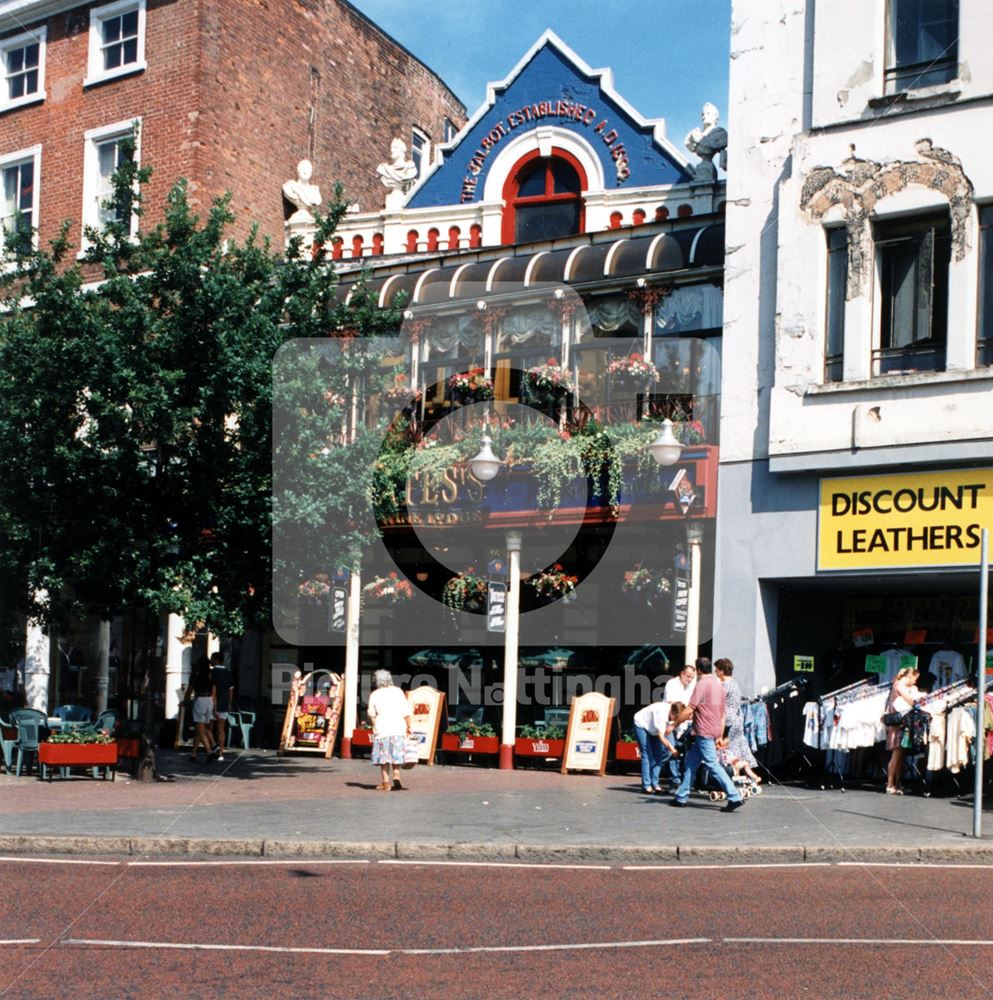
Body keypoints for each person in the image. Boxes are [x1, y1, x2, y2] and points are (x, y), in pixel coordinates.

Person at [670, 658, 744, 812]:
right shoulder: (719, 686)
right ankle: (681, 796)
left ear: (697, 670)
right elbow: (722, 713)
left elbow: (690, 708)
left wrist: (675, 723)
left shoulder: (702, 685)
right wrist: (719, 734)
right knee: (691, 761)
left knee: (712, 764)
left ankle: (734, 796)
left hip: (703, 730)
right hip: (713, 729)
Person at [714, 658, 760, 782]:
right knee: (737, 748)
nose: (715, 672)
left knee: (728, 751)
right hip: (737, 719)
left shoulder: (724, 685)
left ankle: (734, 776)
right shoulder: (734, 683)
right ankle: (749, 775)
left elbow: (717, 701)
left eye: (717, 670)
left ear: (722, 671)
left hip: (727, 720)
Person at [366, 669, 412, 791]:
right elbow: (406, 711)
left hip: (383, 728)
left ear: (376, 681)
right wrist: (409, 726)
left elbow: (372, 713)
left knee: (384, 757)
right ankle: (396, 774)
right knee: (396, 753)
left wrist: (375, 725)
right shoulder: (398, 691)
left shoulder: (374, 694)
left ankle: (385, 783)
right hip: (398, 727)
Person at [884, 666, 920, 795]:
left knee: (901, 755)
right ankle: (890, 784)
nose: (915, 682)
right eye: (915, 679)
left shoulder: (904, 686)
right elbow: (910, 700)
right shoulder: (898, 685)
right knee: (896, 755)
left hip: (903, 723)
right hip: (897, 724)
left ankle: (898, 783)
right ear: (909, 676)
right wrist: (915, 692)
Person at [632, 698, 679, 794]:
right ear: (673, 713)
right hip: (641, 725)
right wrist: (672, 749)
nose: (675, 721)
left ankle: (655, 784)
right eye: (676, 718)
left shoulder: (672, 708)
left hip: (652, 729)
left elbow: (672, 702)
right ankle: (646, 785)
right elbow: (661, 737)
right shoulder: (661, 715)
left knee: (658, 756)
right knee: (647, 755)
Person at [663, 664, 697, 782]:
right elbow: (673, 704)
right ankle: (675, 779)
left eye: (692, 677)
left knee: (684, 750)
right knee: (673, 749)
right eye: (688, 676)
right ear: (682, 673)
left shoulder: (690, 687)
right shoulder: (672, 684)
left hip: (684, 723)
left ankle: (683, 777)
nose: (690, 679)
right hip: (670, 721)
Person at [189, 657, 216, 763]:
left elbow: (190, 689)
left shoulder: (196, 675)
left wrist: (185, 700)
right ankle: (194, 753)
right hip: (209, 700)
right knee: (199, 728)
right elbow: (214, 690)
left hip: (199, 699)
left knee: (201, 728)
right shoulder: (211, 675)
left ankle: (210, 750)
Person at [282, 158, 322, 224]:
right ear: (298, 171)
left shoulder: (314, 191)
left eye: (308, 169)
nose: (305, 172)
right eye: (303, 169)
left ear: (311, 173)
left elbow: (316, 201)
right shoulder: (290, 186)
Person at [210, 651, 234, 761]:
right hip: (224, 702)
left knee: (208, 726)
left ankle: (212, 745)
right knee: (221, 728)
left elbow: (213, 690)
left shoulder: (212, 672)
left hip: (213, 701)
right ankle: (221, 750)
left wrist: (213, 702)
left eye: (211, 659)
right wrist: (229, 703)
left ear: (215, 660)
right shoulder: (228, 673)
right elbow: (231, 691)